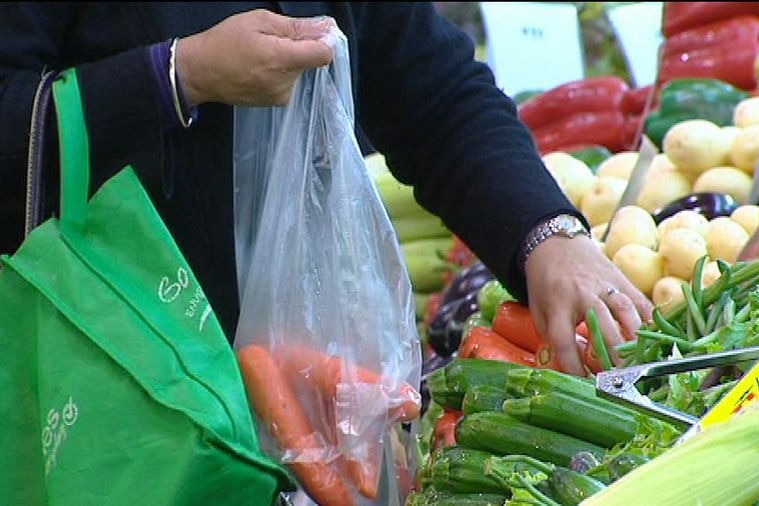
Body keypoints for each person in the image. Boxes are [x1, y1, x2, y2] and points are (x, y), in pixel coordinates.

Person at [0, 3, 653, 378]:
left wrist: (544, 235)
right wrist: (177, 75)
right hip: (99, 378)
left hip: (300, 388)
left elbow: (432, 95)